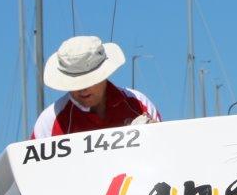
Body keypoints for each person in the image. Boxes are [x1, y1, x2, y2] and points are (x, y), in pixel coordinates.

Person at [30, 35, 161, 139]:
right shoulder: (49, 122)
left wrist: (156, 135)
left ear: (104, 74)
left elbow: (165, 154)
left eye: (88, 80)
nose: (82, 89)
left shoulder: (139, 104)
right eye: (75, 83)